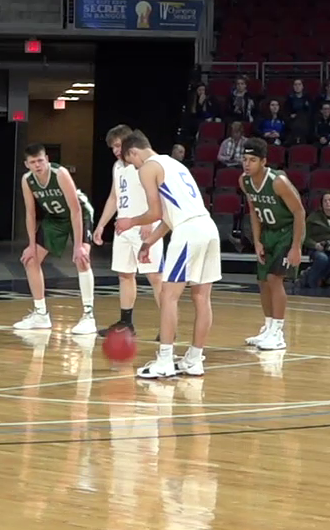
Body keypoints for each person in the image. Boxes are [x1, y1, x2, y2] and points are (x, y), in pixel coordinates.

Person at [119, 132, 220, 379]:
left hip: (188, 231)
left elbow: (154, 213)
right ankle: (194, 360)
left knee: (169, 296)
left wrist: (130, 220)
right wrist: (149, 243)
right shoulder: (176, 165)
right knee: (201, 297)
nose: (135, 167)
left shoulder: (148, 168)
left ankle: (164, 360)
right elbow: (168, 214)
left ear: (134, 152)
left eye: (132, 162)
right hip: (208, 227)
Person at [12, 144, 97, 335]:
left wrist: (77, 246)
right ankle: (41, 314)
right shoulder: (27, 180)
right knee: (31, 260)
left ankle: (88, 316)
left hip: (79, 214)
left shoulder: (60, 174)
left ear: (47, 159)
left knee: (82, 258)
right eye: (33, 162)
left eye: (40, 160)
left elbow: (75, 210)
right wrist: (31, 245)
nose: (37, 165)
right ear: (27, 164)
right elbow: (30, 214)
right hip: (55, 218)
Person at [91, 124, 163, 339]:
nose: (115, 151)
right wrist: (101, 224)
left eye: (118, 146)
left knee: (155, 276)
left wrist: (150, 221)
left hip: (144, 226)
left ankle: (168, 325)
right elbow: (114, 197)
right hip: (123, 227)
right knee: (125, 274)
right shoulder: (118, 167)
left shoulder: (146, 164)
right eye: (112, 147)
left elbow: (160, 193)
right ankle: (126, 323)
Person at [240, 139, 305, 351]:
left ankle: (278, 332)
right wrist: (257, 240)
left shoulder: (278, 182)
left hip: (286, 232)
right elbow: (253, 210)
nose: (247, 164)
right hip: (268, 233)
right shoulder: (245, 181)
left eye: (252, 160)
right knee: (262, 281)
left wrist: (296, 247)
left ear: (264, 161)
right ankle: (268, 327)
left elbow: (299, 212)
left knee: (274, 279)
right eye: (244, 159)